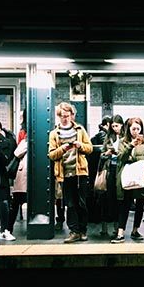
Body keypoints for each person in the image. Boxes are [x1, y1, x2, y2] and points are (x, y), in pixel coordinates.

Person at [48, 102, 93, 243]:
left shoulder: (80, 130)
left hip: (80, 172)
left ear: (72, 115)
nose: (65, 118)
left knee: (82, 202)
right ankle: (74, 231)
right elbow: (51, 155)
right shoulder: (54, 134)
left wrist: (80, 146)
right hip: (64, 173)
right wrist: (63, 149)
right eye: (62, 116)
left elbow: (89, 148)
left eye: (67, 116)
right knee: (70, 204)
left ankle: (83, 230)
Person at [111, 117, 144, 243]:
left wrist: (132, 158)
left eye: (138, 129)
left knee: (140, 203)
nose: (135, 131)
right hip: (127, 176)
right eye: (133, 128)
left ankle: (135, 230)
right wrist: (130, 146)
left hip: (140, 176)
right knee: (124, 203)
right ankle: (120, 232)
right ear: (128, 129)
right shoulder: (123, 141)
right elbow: (121, 157)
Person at [99, 114, 125, 237]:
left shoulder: (126, 137)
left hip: (122, 169)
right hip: (110, 168)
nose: (115, 128)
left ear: (122, 125)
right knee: (108, 197)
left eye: (117, 126)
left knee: (119, 198)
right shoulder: (109, 137)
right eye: (113, 126)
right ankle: (105, 226)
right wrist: (108, 153)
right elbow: (102, 154)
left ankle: (117, 226)